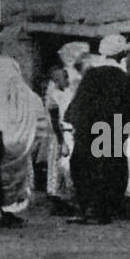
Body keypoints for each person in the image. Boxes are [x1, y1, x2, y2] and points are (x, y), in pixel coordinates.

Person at [64, 35, 130, 224]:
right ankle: (102, 211)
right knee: (110, 170)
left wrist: (77, 126)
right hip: (111, 132)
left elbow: (78, 104)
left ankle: (85, 209)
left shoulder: (91, 75)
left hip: (88, 131)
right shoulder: (124, 78)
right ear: (121, 53)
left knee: (83, 167)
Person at [0, 55, 50, 227]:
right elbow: (40, 116)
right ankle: (10, 213)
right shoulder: (26, 92)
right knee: (17, 180)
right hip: (21, 145)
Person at [44, 65, 77, 214]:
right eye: (64, 77)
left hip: (69, 133)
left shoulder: (68, 93)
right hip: (59, 135)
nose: (67, 80)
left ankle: (66, 200)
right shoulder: (53, 95)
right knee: (58, 168)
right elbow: (55, 120)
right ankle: (57, 202)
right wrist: (61, 141)